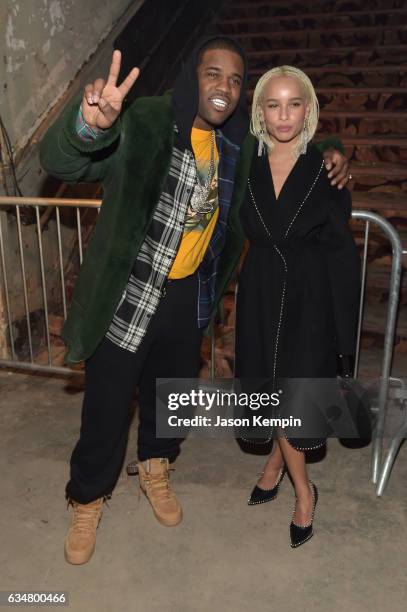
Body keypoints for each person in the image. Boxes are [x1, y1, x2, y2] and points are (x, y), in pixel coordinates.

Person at [40, 37, 350, 564]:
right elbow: (67, 161)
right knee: (107, 407)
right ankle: (87, 498)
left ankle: (157, 469)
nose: (223, 87)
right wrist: (89, 124)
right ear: (192, 76)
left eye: (233, 79)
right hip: (129, 293)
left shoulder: (237, 144)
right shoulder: (143, 123)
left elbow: (292, 137)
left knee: (170, 399)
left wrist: (332, 148)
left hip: (190, 296)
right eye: (213, 74)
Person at [232, 66, 360, 548]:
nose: (283, 115)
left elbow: (338, 243)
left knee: (294, 400)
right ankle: (274, 465)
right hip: (261, 291)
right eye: (272, 104)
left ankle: (304, 494)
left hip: (310, 296)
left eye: (294, 104)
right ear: (259, 111)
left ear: (308, 109)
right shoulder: (247, 163)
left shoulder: (324, 166)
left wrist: (340, 318)